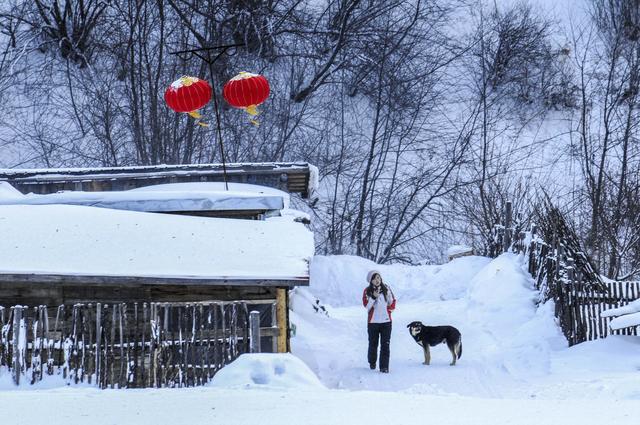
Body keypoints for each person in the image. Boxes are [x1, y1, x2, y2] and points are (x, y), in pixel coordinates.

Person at [362, 270, 396, 373]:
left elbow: (392, 302)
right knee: (373, 344)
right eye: (374, 278)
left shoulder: (386, 288)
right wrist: (373, 297)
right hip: (373, 323)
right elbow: (367, 307)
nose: (377, 280)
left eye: (378, 277)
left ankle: (384, 367)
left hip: (386, 322)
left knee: (385, 345)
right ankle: (372, 362)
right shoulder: (367, 291)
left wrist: (389, 309)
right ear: (370, 280)